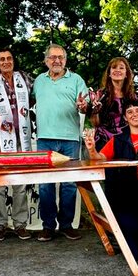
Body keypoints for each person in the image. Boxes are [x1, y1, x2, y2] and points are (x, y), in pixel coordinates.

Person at [85, 99, 138, 258]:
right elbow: (100, 159)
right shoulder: (117, 140)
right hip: (128, 194)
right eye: (129, 112)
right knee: (135, 252)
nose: (134, 115)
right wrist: (91, 150)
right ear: (125, 118)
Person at [33, 44, 88, 242]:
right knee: (45, 185)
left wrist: (83, 106)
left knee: (69, 184)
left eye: (61, 57)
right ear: (46, 60)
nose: (57, 61)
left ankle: (67, 225)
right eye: (53, 57)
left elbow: (85, 106)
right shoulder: (39, 80)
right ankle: (48, 226)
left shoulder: (76, 80)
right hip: (44, 139)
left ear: (66, 60)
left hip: (70, 138)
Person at [0, 48, 34, 241]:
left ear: (14, 60)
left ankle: (20, 224)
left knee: (20, 183)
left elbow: (38, 96)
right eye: (2, 59)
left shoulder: (24, 78)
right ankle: (0, 224)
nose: (6, 62)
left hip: (21, 138)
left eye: (9, 58)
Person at [89, 56, 138, 150]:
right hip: (104, 141)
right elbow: (95, 123)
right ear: (109, 74)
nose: (117, 70)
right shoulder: (100, 94)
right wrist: (95, 111)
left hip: (126, 141)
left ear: (126, 74)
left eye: (121, 68)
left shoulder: (132, 96)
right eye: (114, 67)